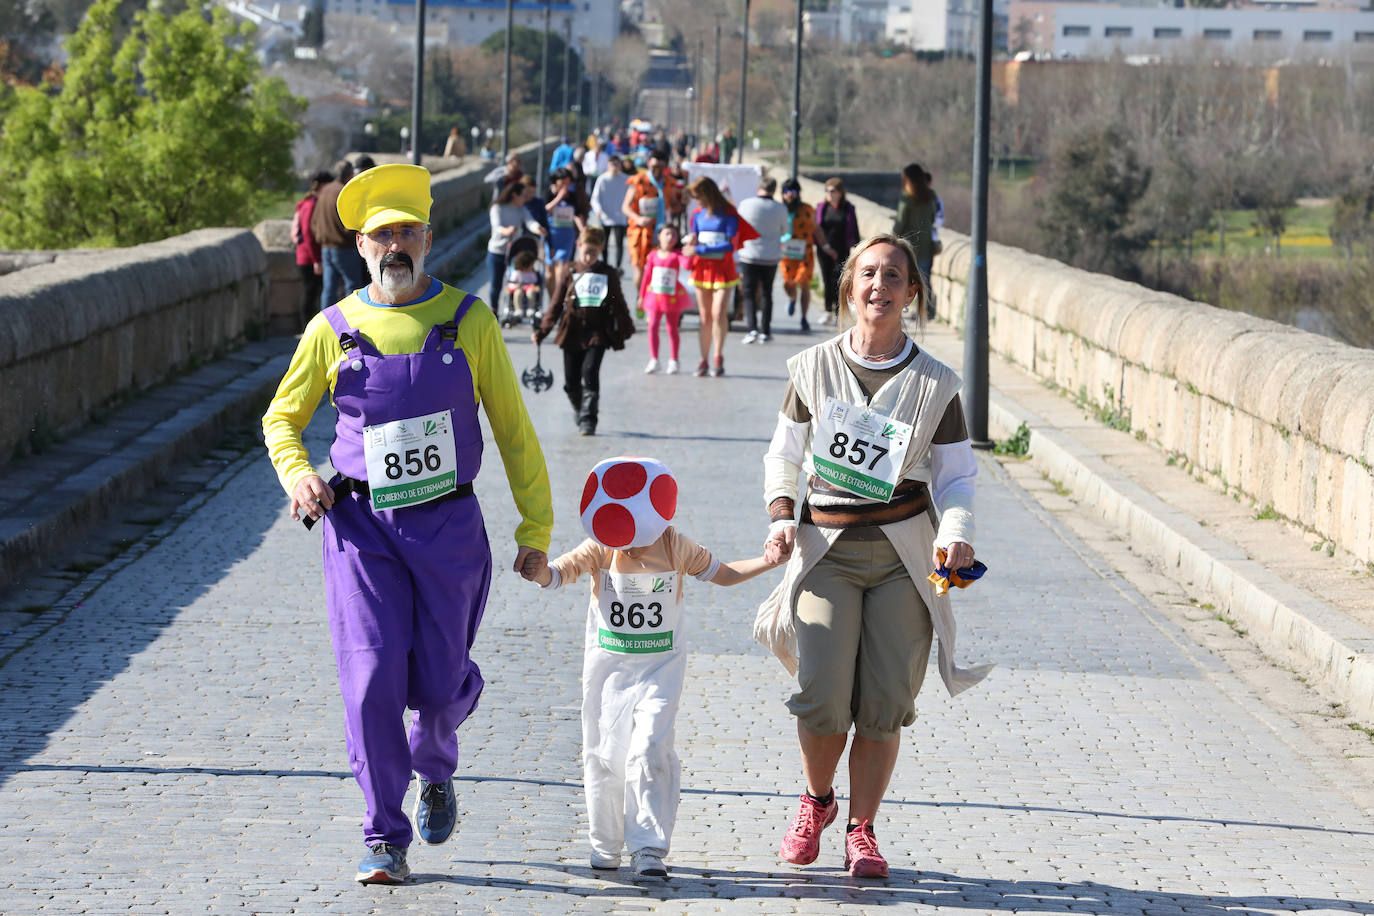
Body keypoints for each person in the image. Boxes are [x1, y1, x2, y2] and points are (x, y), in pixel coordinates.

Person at [261, 164, 554, 885]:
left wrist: (536, 530)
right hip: (361, 528)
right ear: (360, 246)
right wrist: (298, 475)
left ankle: (436, 767)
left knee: (441, 679)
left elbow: (514, 431)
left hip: (449, 526)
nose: (395, 245)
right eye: (380, 234)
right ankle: (383, 835)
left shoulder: (469, 319)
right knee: (370, 681)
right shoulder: (332, 330)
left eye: (406, 232)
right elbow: (282, 419)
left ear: (427, 237)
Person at [753, 233, 989, 879]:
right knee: (823, 692)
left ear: (912, 291)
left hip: (902, 557)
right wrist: (780, 514)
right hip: (826, 551)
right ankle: (817, 801)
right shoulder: (812, 370)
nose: (878, 285)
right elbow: (784, 454)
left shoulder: (935, 383)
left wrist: (956, 530)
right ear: (849, 286)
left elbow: (957, 477)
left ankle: (862, 829)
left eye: (893, 275)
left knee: (885, 702)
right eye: (867, 273)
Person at [527, 457, 780, 879]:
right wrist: (539, 572)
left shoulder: (675, 545)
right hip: (608, 668)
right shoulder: (600, 547)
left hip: (661, 668)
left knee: (649, 749)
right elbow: (558, 574)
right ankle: (604, 842)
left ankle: (648, 847)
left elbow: (723, 573)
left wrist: (768, 561)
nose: (629, 546)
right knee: (605, 753)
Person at [532, 226, 635, 436]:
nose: (589, 257)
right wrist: (543, 330)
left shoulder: (608, 273)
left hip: (598, 332)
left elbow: (619, 303)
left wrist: (626, 327)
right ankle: (580, 410)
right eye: (586, 251)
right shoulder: (570, 271)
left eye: (594, 253)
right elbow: (556, 303)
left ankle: (589, 419)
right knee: (571, 382)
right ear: (578, 247)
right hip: (572, 331)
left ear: (601, 250)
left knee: (589, 372)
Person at [682, 175, 739, 378]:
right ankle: (703, 359)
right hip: (702, 270)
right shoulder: (697, 215)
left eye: (697, 196)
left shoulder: (729, 215)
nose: (695, 200)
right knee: (705, 317)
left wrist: (700, 249)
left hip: (723, 270)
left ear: (707, 194)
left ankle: (718, 355)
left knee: (718, 313)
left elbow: (730, 245)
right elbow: (694, 238)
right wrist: (690, 245)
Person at [736, 176, 789, 344]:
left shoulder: (745, 204)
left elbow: (739, 226)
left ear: (759, 188)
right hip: (770, 256)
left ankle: (752, 329)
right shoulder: (780, 208)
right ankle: (765, 331)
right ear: (774, 190)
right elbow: (784, 229)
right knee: (767, 292)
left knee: (749, 292)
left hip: (749, 254)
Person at [310, 159, 367, 313]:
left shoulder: (325, 190)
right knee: (353, 286)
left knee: (329, 289)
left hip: (326, 248)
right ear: (349, 175)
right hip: (344, 248)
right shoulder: (344, 192)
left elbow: (314, 221)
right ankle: (352, 318)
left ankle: (326, 322)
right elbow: (349, 223)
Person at [638, 223, 693, 375]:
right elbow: (647, 277)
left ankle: (674, 360)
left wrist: (689, 249)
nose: (670, 237)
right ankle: (654, 359)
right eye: (667, 234)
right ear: (659, 236)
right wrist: (641, 296)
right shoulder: (653, 255)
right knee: (653, 326)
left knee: (672, 328)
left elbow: (687, 265)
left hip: (672, 298)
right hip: (654, 297)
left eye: (674, 235)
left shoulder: (677, 255)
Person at [621, 154, 682, 291]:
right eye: (654, 166)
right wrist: (638, 219)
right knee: (639, 269)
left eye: (661, 167)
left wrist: (682, 203)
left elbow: (674, 205)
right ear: (649, 163)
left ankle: (651, 301)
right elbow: (625, 207)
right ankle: (640, 297)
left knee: (657, 269)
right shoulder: (638, 181)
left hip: (662, 233)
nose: (657, 170)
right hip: (640, 232)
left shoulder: (668, 183)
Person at [892, 163, 943, 321]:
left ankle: (909, 309)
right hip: (926, 245)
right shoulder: (930, 195)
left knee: (905, 280)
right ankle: (926, 311)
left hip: (909, 246)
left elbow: (900, 222)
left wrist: (893, 238)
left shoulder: (907, 197)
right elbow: (934, 217)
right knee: (924, 279)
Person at [813, 178, 860, 326]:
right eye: (827, 191)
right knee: (827, 280)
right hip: (824, 249)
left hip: (841, 250)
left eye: (832, 191)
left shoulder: (847, 208)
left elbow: (854, 229)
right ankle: (827, 310)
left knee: (839, 281)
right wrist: (823, 246)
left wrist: (856, 247)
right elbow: (815, 228)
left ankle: (838, 313)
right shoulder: (821, 208)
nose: (829, 194)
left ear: (840, 192)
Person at [292, 169, 332, 326]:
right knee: (310, 292)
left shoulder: (309, 202)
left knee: (313, 291)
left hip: (309, 255)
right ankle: (305, 328)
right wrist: (316, 260)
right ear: (322, 185)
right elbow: (308, 234)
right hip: (309, 257)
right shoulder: (310, 205)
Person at [779, 179, 817, 333]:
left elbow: (816, 228)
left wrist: (825, 245)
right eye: (786, 192)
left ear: (798, 193)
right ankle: (792, 298)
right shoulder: (779, 210)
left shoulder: (807, 209)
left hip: (804, 253)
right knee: (789, 283)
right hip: (786, 253)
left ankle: (804, 318)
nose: (790, 196)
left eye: (793, 192)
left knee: (805, 284)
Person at [545, 167, 588, 298]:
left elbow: (577, 214)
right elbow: (546, 210)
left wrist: (584, 231)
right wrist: (559, 197)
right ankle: (552, 297)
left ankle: (558, 298)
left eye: (568, 182)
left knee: (561, 268)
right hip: (551, 236)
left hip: (567, 236)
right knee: (550, 271)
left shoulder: (572, 196)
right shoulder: (549, 193)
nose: (566, 185)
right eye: (562, 182)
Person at [487, 180, 526, 309]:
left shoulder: (521, 209)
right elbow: (496, 227)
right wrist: (507, 230)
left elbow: (530, 221)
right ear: (514, 195)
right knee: (496, 284)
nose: (525, 199)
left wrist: (539, 229)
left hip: (514, 252)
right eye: (523, 195)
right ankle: (494, 310)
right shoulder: (497, 208)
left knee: (515, 282)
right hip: (497, 251)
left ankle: (513, 308)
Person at [590, 154, 630, 270]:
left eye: (617, 164)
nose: (615, 167)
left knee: (619, 243)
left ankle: (618, 266)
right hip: (605, 216)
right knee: (604, 243)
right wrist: (598, 210)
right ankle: (605, 264)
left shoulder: (626, 179)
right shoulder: (602, 179)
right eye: (612, 165)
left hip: (620, 217)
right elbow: (595, 198)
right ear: (608, 166)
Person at [506, 248, 541, 320]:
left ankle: (531, 308)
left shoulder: (532, 273)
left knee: (531, 292)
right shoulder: (516, 273)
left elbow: (536, 284)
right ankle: (518, 309)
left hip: (529, 288)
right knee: (518, 293)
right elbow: (510, 285)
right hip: (518, 288)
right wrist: (516, 286)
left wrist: (533, 287)